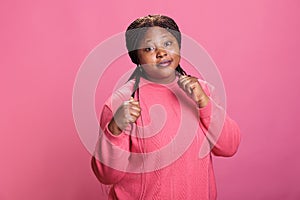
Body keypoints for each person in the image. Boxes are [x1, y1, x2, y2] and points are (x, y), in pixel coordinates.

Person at [91, 14, 241, 200]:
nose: (161, 52)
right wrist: (115, 128)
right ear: (136, 56)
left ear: (179, 46)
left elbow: (229, 147)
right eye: (149, 48)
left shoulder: (202, 92)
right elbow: (106, 175)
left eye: (168, 43)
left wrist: (204, 103)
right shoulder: (121, 102)